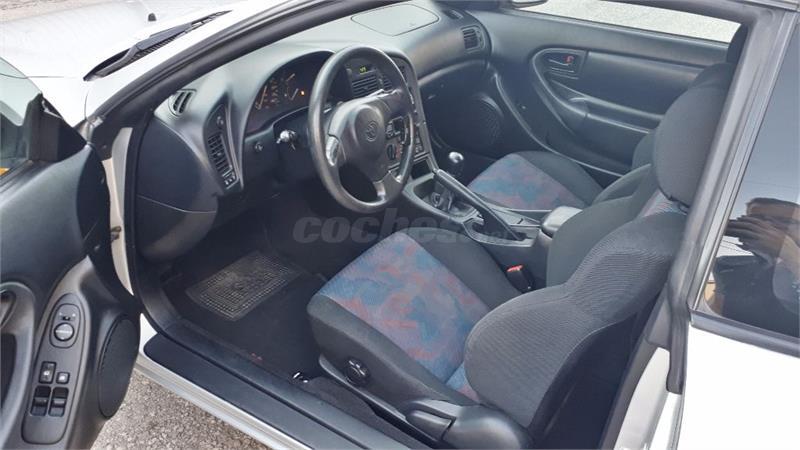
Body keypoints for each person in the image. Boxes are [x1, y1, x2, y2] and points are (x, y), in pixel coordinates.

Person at [712, 197, 800, 337]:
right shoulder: (729, 266)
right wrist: (709, 231)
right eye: (756, 221)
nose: (767, 228)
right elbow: (714, 314)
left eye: (785, 222)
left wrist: (790, 255)